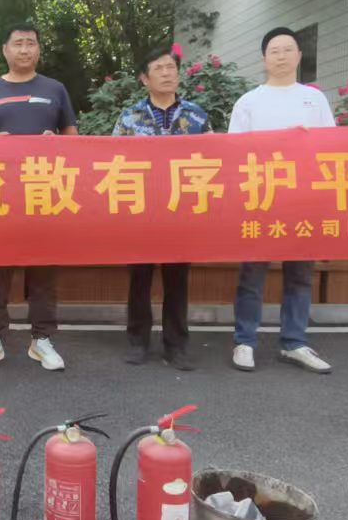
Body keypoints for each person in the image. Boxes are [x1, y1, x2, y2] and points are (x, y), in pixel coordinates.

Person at [0, 23, 78, 372]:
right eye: (18, 43)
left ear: (39, 50)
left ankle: (41, 339)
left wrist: (56, 144)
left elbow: (72, 138)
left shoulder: (55, 89)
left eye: (31, 43)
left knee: (44, 271)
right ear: (5, 50)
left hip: (44, 192)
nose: (25, 49)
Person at [227, 26, 335, 375]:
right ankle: (245, 341)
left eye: (288, 49)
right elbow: (234, 152)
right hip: (260, 199)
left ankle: (294, 342)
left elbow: (331, 147)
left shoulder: (314, 100)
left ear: (299, 56)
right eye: (274, 51)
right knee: (252, 275)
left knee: (300, 275)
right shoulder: (249, 101)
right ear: (264, 58)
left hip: (303, 200)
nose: (281, 56)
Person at [112, 48, 210, 369]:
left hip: (182, 212)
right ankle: (137, 341)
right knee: (139, 280)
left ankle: (176, 346)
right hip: (141, 212)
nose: (167, 73)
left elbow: (214, 160)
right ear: (145, 78)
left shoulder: (197, 116)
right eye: (159, 68)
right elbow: (112, 161)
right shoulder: (130, 117)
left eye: (171, 67)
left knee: (177, 281)